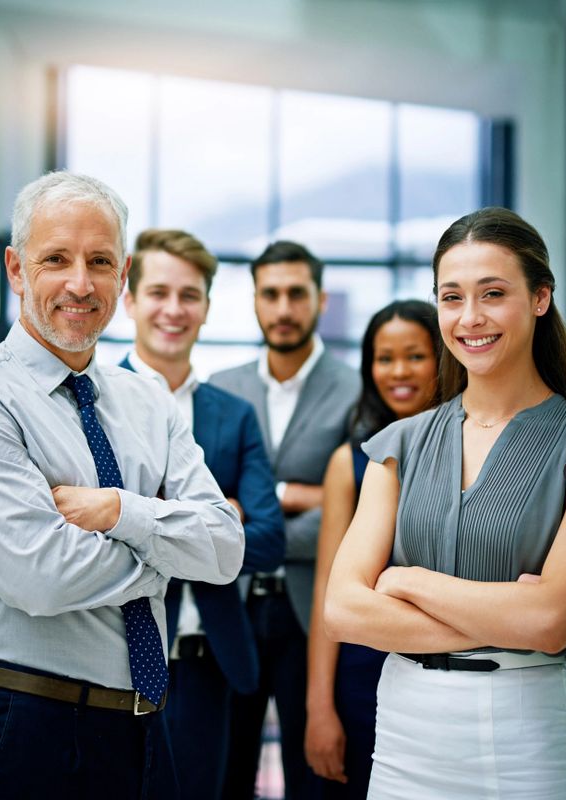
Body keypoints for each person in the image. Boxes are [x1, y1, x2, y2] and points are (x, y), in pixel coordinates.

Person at [0, 172, 245, 800]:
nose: (80, 283)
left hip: (149, 726)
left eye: (99, 261)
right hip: (31, 727)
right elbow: (41, 578)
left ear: (121, 276)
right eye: (56, 260)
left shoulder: (146, 398)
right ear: (16, 269)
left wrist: (120, 511)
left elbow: (226, 549)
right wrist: (167, 556)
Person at [324, 207, 566, 800]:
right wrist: (505, 614)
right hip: (405, 732)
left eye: (493, 294)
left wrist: (405, 579)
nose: (470, 318)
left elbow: (551, 622)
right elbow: (344, 611)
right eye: (451, 298)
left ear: (540, 299)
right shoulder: (396, 446)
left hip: (525, 735)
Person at [120, 227, 285, 799]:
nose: (173, 309)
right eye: (158, 292)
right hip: (108, 657)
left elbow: (266, 540)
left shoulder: (233, 416)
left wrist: (144, 518)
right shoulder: (87, 397)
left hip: (204, 665)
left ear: (207, 308)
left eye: (189, 295)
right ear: (130, 299)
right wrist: (207, 522)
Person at [210, 240, 360, 800]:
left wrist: (253, 518)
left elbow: (362, 516)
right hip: (231, 607)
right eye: (270, 294)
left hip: (312, 617)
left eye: (297, 294)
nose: (283, 308)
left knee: (315, 775)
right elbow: (202, 507)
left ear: (320, 301)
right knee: (225, 771)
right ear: (253, 302)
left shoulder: (356, 390)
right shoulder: (221, 389)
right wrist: (306, 497)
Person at [305, 300, 441, 799]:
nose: (398, 372)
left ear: (443, 359)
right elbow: (327, 588)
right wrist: (320, 708)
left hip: (452, 671)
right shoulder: (351, 462)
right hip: (362, 675)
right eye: (384, 359)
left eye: (415, 356)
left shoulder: (474, 449)